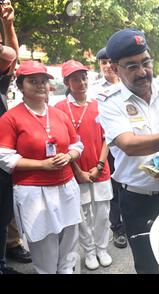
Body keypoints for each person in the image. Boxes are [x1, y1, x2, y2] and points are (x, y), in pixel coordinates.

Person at [97, 28, 159, 274]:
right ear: (115, 68)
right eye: (131, 66)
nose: (142, 72)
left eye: (146, 63)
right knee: (147, 265)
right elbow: (129, 145)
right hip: (137, 200)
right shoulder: (109, 102)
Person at [0, 61, 84, 274]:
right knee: (44, 246)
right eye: (33, 81)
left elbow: (77, 144)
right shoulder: (11, 118)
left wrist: (70, 156)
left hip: (66, 187)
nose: (40, 85)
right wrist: (42, 165)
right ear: (20, 86)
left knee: (69, 240)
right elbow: (4, 156)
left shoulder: (59, 114)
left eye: (43, 81)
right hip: (34, 191)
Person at [55, 60, 114, 270]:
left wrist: (99, 165)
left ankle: (102, 248)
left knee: (102, 213)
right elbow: (60, 144)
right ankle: (89, 251)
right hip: (76, 171)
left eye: (83, 77)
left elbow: (108, 138)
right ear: (67, 83)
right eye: (75, 79)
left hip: (100, 168)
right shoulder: (60, 109)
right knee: (82, 214)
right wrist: (78, 171)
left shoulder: (99, 104)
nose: (81, 82)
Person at [0, 0, 27, 274]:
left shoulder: (1, 81)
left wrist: (8, 24)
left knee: (4, 213)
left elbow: (10, 55)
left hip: (1, 159)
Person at [93, 47, 127, 250]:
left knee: (131, 185)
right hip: (109, 147)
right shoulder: (95, 90)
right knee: (114, 190)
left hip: (132, 144)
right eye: (103, 62)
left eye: (109, 62)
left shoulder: (129, 84)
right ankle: (118, 229)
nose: (107, 66)